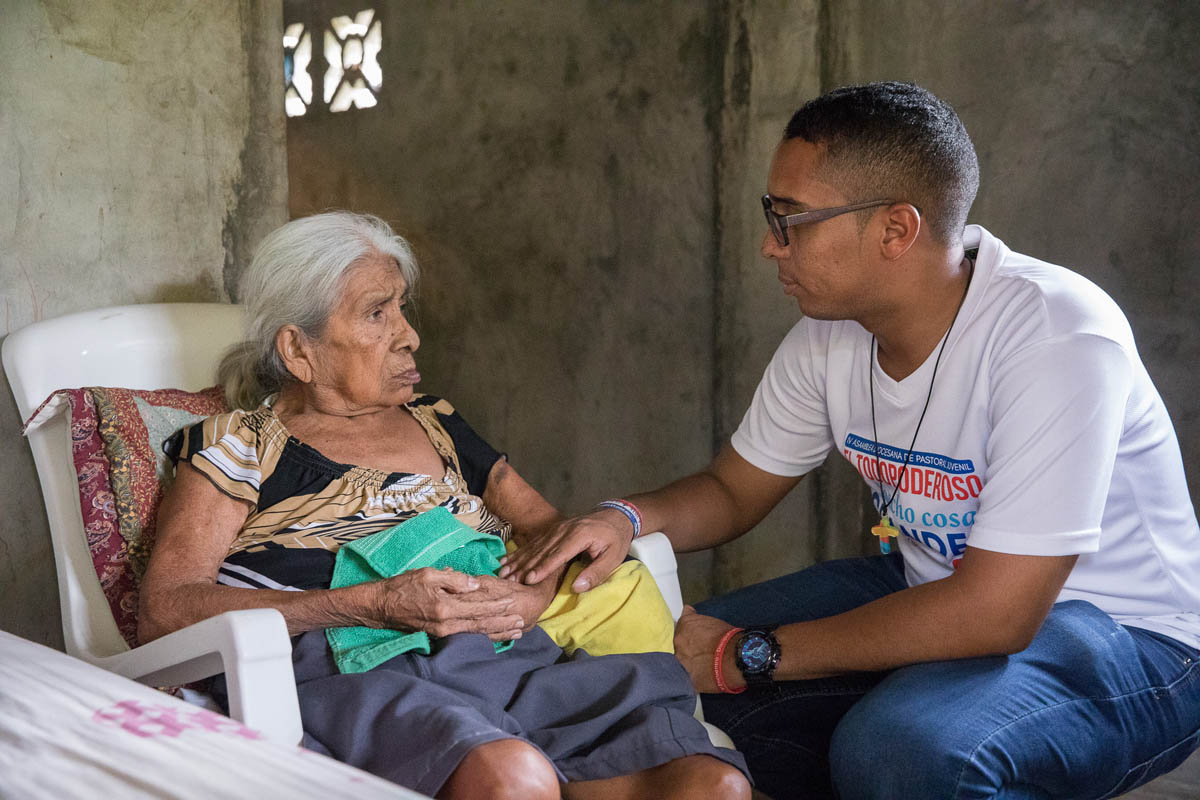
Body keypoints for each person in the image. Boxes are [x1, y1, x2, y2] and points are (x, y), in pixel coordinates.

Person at [500, 81, 1200, 799]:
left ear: (897, 230)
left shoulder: (1056, 333)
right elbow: (731, 491)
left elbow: (999, 611)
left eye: (791, 219)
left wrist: (753, 654)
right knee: (647, 670)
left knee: (903, 752)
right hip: (933, 585)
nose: (769, 245)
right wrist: (624, 517)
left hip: (1128, 635)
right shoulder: (828, 338)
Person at [138, 211, 750, 800]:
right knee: (514, 778)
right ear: (299, 352)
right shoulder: (238, 445)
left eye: (401, 307)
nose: (410, 335)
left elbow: (547, 528)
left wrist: (529, 600)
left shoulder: (436, 422)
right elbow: (165, 609)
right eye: (377, 314)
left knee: (711, 782)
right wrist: (373, 602)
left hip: (504, 656)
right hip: (354, 672)